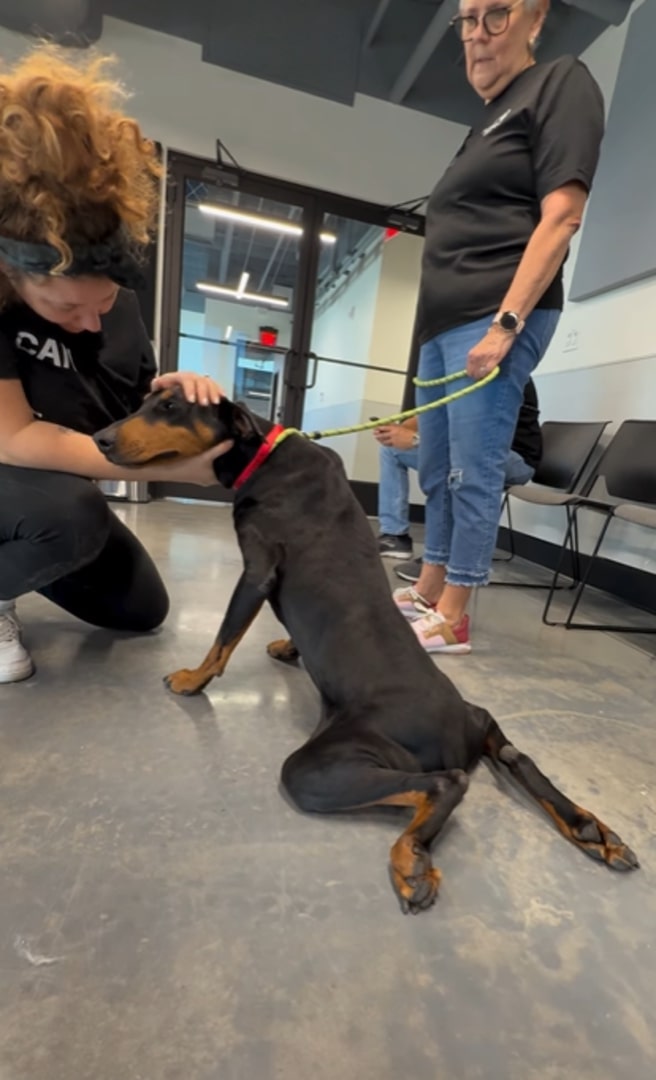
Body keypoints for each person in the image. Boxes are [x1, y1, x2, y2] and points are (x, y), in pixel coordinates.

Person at [0, 48, 230, 685]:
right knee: (69, 516)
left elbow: (123, 407)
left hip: (48, 494)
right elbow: (15, 439)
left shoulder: (116, 304)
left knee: (140, 608)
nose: (92, 323)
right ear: (14, 275)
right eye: (66, 307)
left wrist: (168, 399)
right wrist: (174, 469)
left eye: (102, 303)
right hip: (17, 474)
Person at [392, 0, 604, 655]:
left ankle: (455, 614)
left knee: (472, 468)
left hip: (493, 311)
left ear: (535, 19)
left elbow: (562, 216)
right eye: (467, 19)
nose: (477, 35)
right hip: (440, 323)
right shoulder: (484, 122)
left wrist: (506, 324)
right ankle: (430, 589)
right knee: (436, 466)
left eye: (496, 15)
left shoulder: (560, 82)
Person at [376, 377, 541, 563]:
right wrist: (397, 431)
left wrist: (416, 439)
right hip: (476, 451)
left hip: (516, 460)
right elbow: (432, 414)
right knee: (391, 449)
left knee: (458, 456)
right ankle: (395, 537)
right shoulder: (459, 374)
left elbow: (471, 433)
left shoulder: (504, 372)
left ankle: (445, 555)